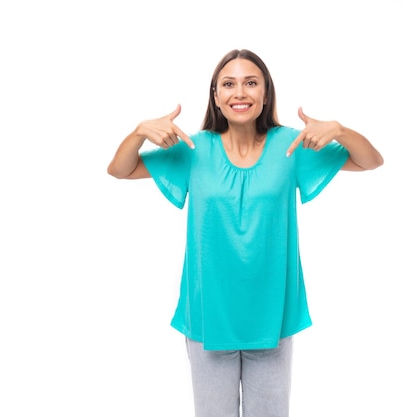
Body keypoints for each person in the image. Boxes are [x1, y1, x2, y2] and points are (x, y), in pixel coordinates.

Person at [107, 49, 383, 417]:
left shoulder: (291, 146)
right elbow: (120, 170)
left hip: (272, 314)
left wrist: (340, 130)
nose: (240, 92)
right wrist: (139, 131)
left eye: (251, 83)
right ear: (216, 97)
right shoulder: (193, 148)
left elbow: (370, 161)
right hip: (209, 314)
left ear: (265, 93)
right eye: (229, 84)